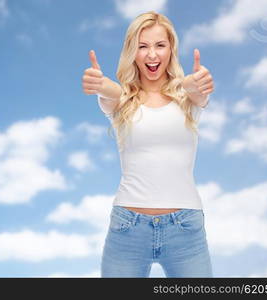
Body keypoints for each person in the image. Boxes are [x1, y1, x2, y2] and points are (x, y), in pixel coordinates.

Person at [82, 11, 214, 277]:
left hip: (186, 228)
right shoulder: (121, 100)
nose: (152, 55)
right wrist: (102, 86)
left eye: (159, 45)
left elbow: (195, 90)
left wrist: (193, 82)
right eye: (143, 46)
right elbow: (112, 93)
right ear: (132, 52)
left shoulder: (188, 99)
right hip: (128, 228)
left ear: (171, 50)